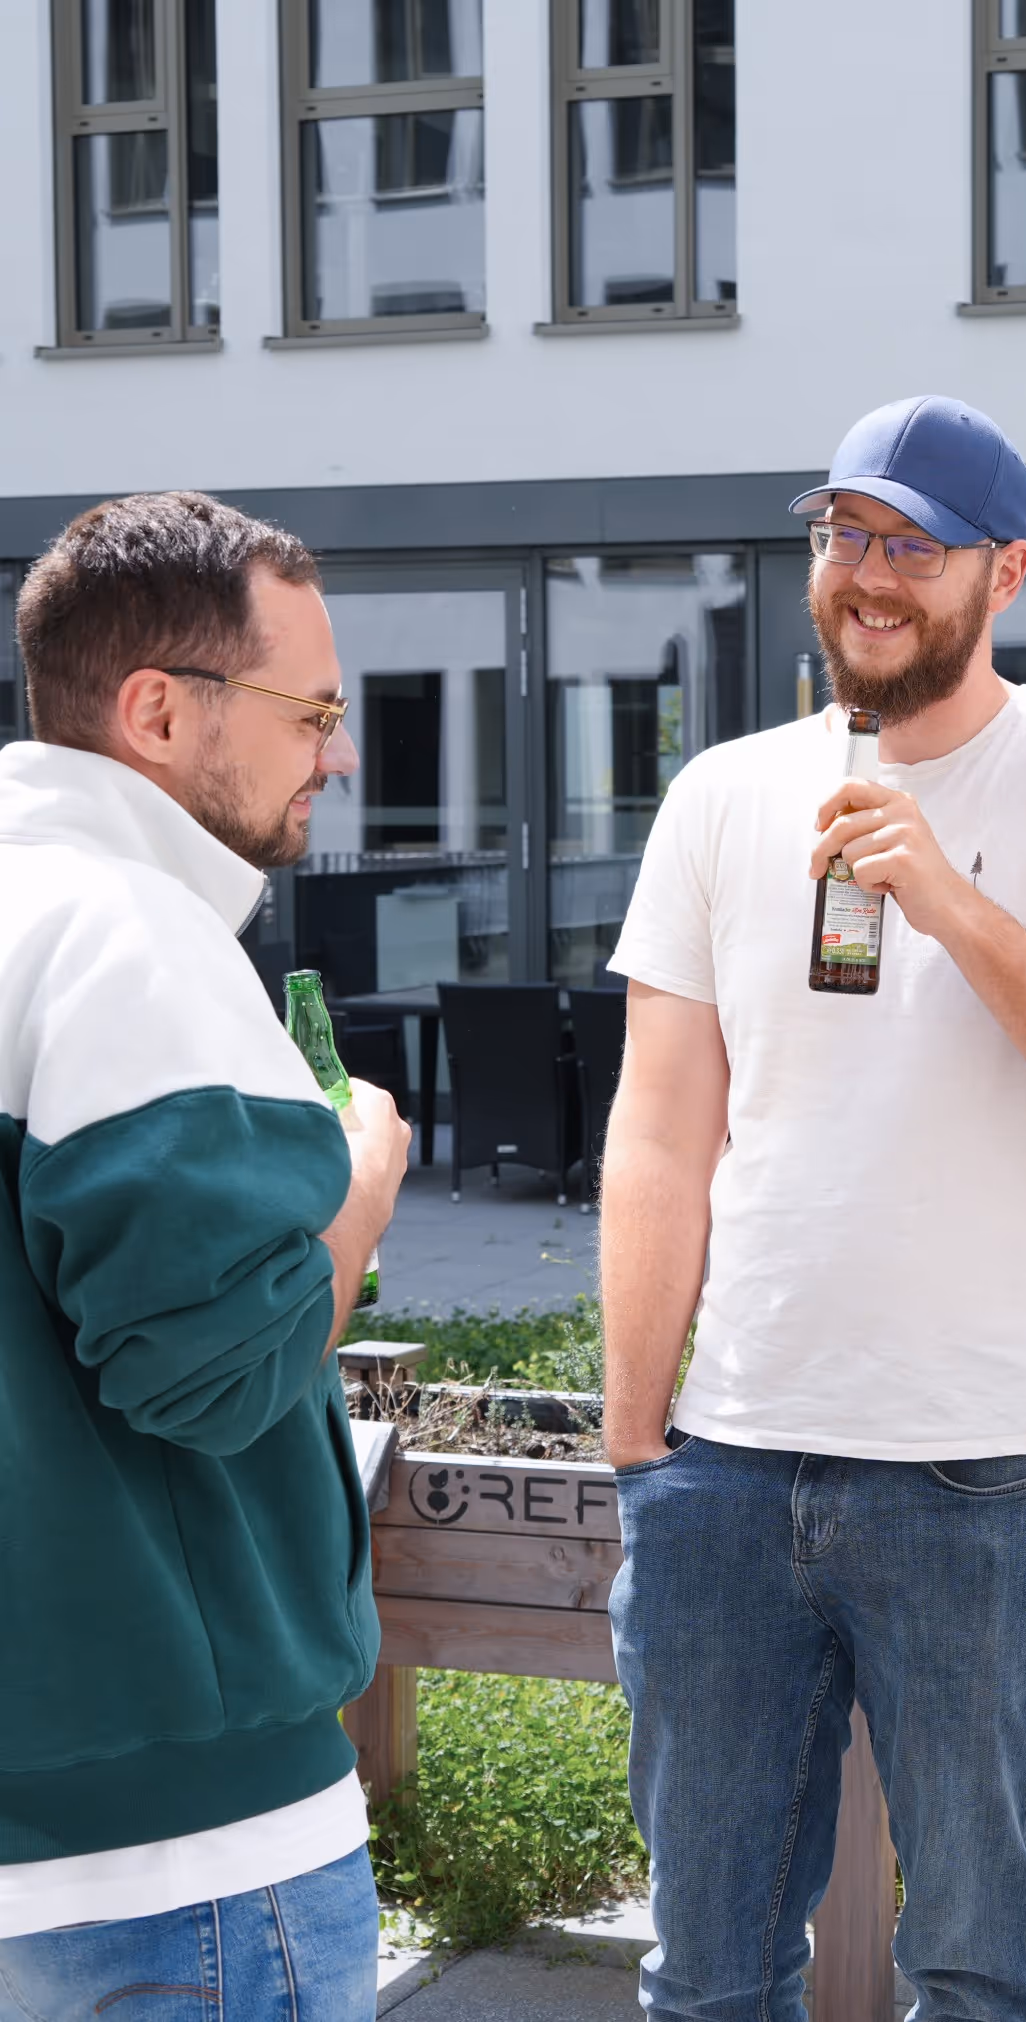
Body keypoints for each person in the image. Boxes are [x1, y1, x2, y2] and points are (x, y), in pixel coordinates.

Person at [600, 396, 1026, 2021]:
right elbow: (664, 1126)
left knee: (972, 1960)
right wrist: (636, 1443)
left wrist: (953, 900)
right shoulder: (723, 795)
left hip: (990, 1472)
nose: (867, 576)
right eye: (842, 535)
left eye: (911, 544)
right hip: (731, 1470)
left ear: (1005, 571)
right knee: (707, 1965)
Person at [0, 493, 411, 2020]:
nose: (340, 752)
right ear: (159, 711)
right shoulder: (131, 933)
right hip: (182, 1868)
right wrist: (360, 1173)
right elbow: (217, 1366)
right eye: (312, 711)